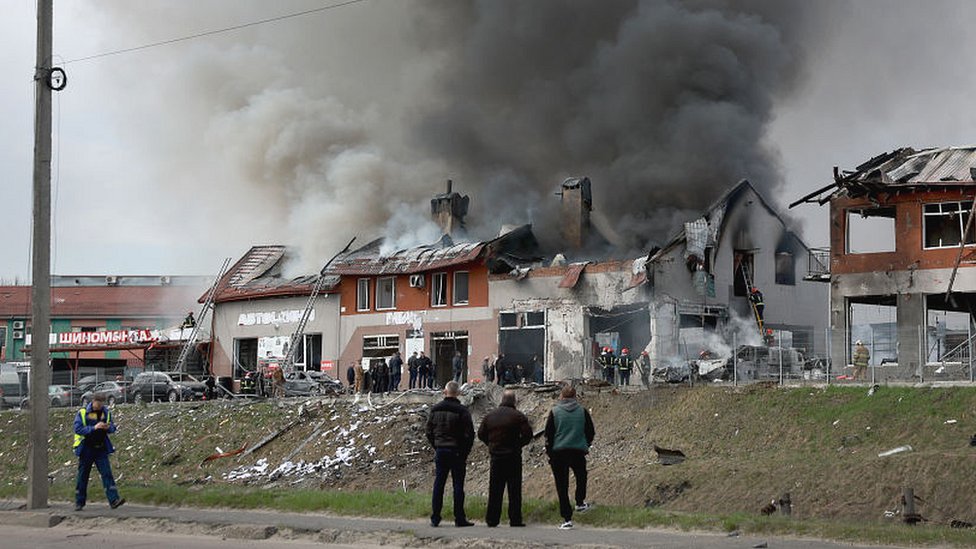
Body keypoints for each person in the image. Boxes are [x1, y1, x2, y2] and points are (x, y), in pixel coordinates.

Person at [478, 390, 533, 527]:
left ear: (502, 400)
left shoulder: (490, 416)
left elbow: (481, 434)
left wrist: (491, 444)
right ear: (514, 401)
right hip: (513, 456)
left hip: (496, 457)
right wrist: (518, 444)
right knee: (514, 490)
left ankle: (492, 519)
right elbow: (528, 434)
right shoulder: (518, 416)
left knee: (495, 489)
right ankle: (515, 519)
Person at [545, 384, 595, 530]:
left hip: (559, 452)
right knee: (581, 476)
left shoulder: (555, 412)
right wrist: (585, 444)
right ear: (575, 397)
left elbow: (548, 434)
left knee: (562, 486)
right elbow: (590, 431)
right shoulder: (582, 411)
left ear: (561, 396)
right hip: (577, 450)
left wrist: (550, 453)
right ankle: (580, 502)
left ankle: (567, 519)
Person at [425, 381, 475, 528]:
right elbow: (470, 434)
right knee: (458, 485)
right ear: (458, 393)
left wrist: (437, 445)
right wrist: (464, 452)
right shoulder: (462, 411)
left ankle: (435, 518)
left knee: (439, 484)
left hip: (441, 450)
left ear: (445, 392)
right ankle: (459, 518)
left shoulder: (435, 409)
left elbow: (429, 431)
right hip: (457, 451)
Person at [73, 393, 125, 511]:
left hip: (100, 448)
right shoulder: (82, 413)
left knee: (107, 473)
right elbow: (78, 428)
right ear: (93, 401)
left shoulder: (105, 412)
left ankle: (114, 500)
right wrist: (94, 428)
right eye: (98, 403)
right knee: (83, 476)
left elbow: (112, 427)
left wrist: (108, 427)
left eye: (102, 403)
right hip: (86, 448)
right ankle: (79, 502)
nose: (100, 406)